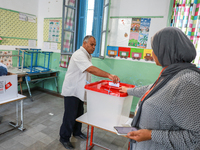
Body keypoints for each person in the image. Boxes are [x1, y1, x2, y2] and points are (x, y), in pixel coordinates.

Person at [119, 27, 200, 150]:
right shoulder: (172, 73)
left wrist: (151, 135)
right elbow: (154, 90)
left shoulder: (187, 82)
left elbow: (196, 138)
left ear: (166, 50)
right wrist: (128, 90)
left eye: (154, 49)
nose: (152, 53)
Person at [59, 35, 120, 149]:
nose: (93, 47)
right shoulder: (79, 54)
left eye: (95, 45)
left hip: (80, 90)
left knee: (80, 113)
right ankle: (64, 138)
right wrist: (108, 75)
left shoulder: (87, 55)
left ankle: (77, 132)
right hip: (72, 90)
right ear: (84, 43)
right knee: (70, 116)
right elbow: (90, 69)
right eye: (91, 44)